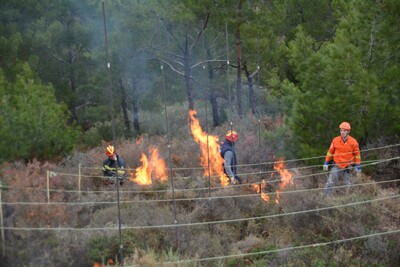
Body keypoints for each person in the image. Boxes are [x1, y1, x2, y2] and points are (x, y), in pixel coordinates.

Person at [323, 122, 361, 195]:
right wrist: (326, 162)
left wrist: (358, 166)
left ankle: (347, 200)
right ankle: (326, 198)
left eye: (344, 130)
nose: (342, 132)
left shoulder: (353, 142)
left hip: (348, 167)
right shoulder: (335, 140)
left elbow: (357, 155)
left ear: (348, 131)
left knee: (348, 185)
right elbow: (330, 152)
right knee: (330, 182)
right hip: (337, 165)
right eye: (341, 130)